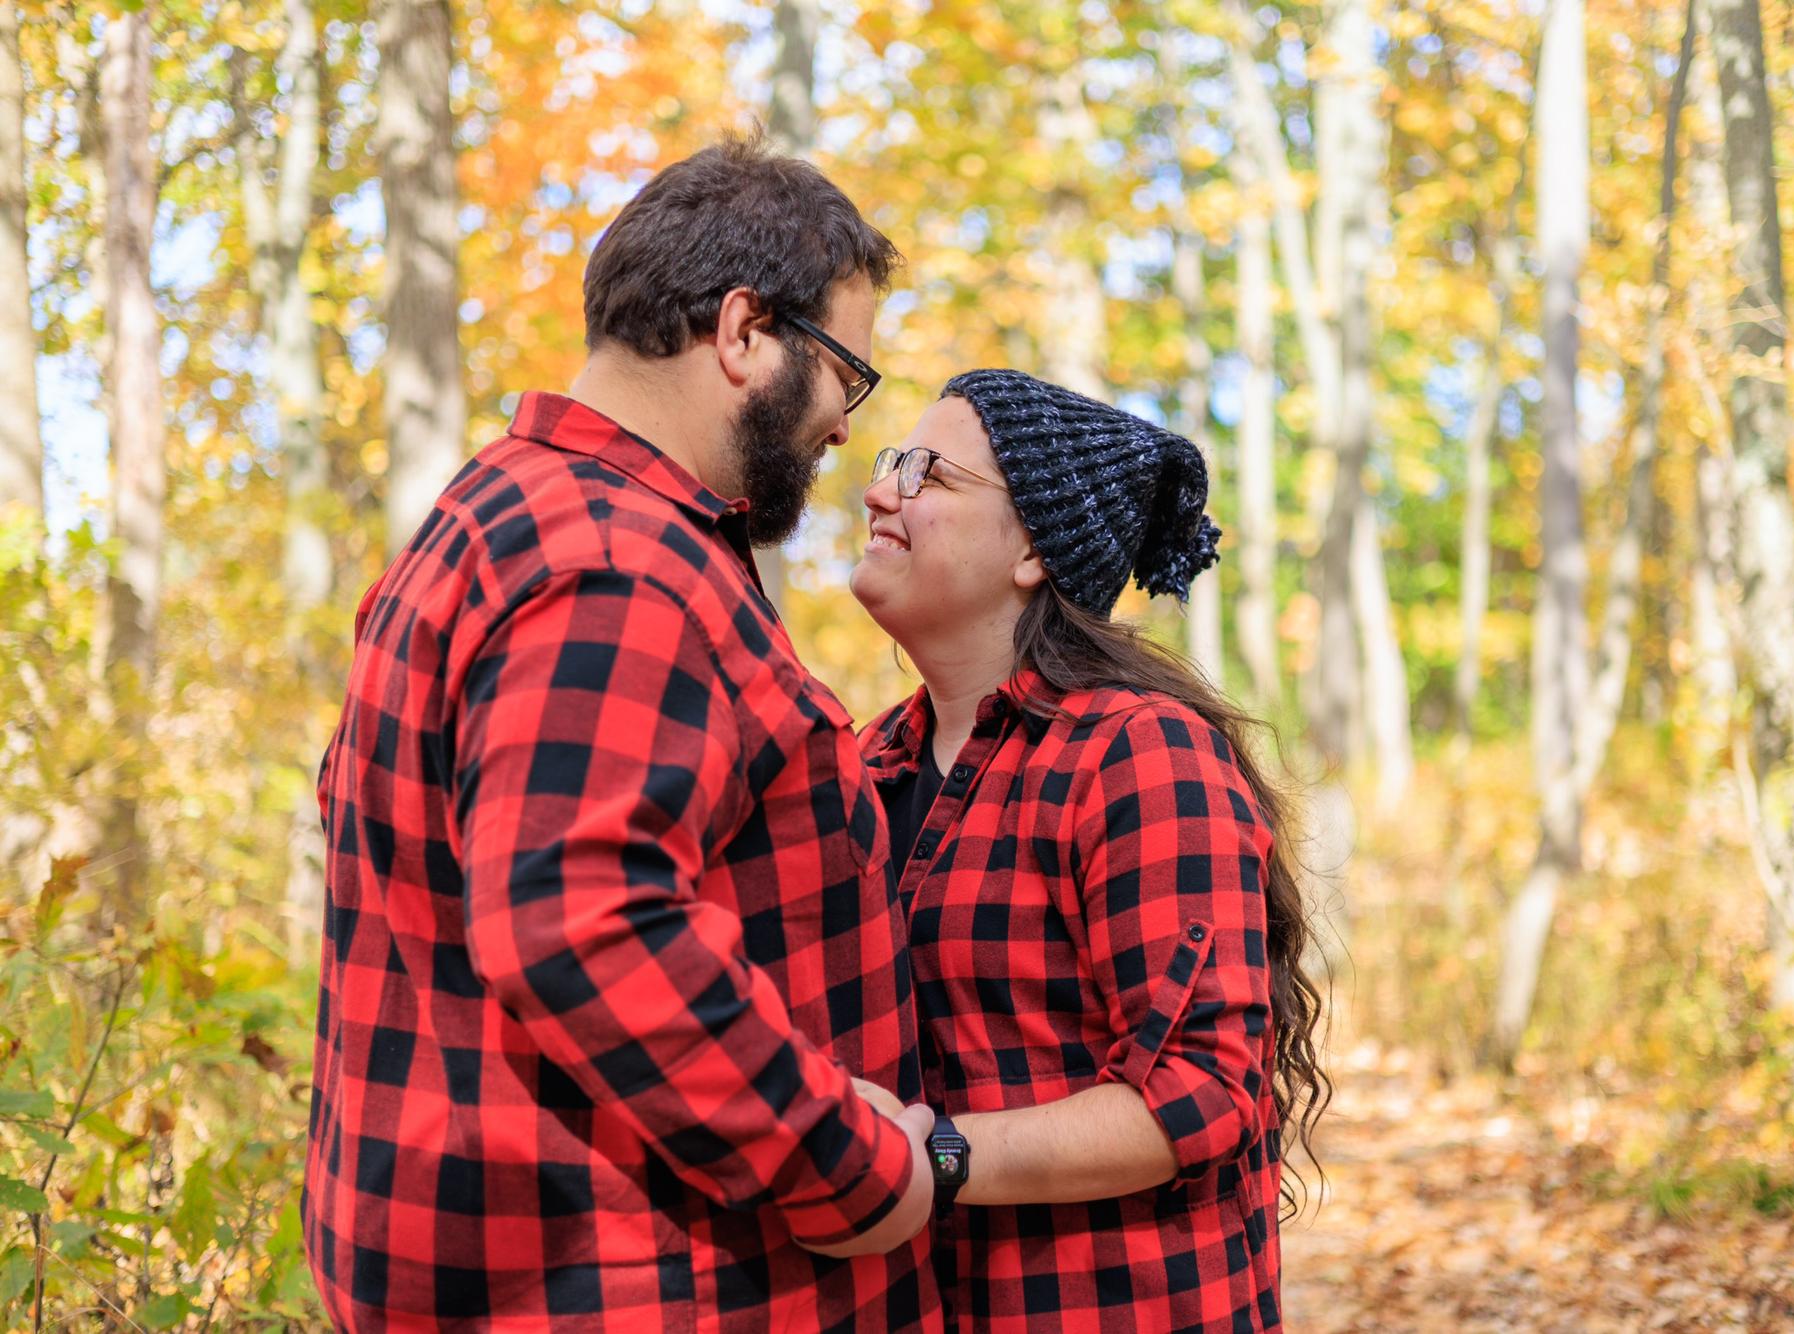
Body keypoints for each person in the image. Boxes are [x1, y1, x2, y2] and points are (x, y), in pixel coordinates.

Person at [304, 136, 942, 1331]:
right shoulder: (615, 564)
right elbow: (579, 918)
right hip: (624, 1283)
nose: (842, 430)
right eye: (845, 374)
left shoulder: (496, 513)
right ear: (744, 332)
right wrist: (851, 1167)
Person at [848, 370, 1327, 1331]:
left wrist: (929, 1159)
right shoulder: (868, 762)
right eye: (892, 460)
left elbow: (1199, 1091)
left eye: (929, 472)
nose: (879, 490)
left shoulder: (1137, 754)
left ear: (1033, 548)